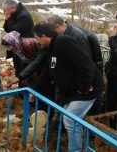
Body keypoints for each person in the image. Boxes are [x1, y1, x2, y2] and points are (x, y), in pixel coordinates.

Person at [32, 22, 104, 152]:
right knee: (72, 120)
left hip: (87, 89)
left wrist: (83, 88)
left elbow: (85, 64)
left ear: (43, 36)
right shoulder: (50, 48)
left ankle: (75, 149)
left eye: (37, 38)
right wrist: (35, 90)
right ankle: (78, 143)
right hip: (72, 91)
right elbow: (48, 71)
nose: (37, 42)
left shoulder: (64, 42)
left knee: (70, 120)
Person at [2, 0, 34, 77]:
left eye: (5, 10)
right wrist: (7, 19)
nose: (4, 12)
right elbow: (6, 29)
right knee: (17, 67)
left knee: (23, 68)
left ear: (12, 8)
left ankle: (23, 85)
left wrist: (9, 19)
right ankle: (20, 83)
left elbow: (14, 32)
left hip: (26, 47)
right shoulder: (15, 15)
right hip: (18, 47)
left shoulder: (24, 16)